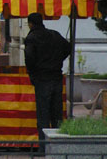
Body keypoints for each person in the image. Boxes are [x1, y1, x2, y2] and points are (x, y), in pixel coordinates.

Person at [24, 12, 71, 152]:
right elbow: (68, 48)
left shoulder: (31, 38)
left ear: (30, 23)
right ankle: (57, 148)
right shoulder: (54, 34)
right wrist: (57, 60)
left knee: (43, 115)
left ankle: (43, 148)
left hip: (42, 80)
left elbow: (29, 57)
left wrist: (32, 73)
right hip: (56, 78)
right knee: (57, 115)